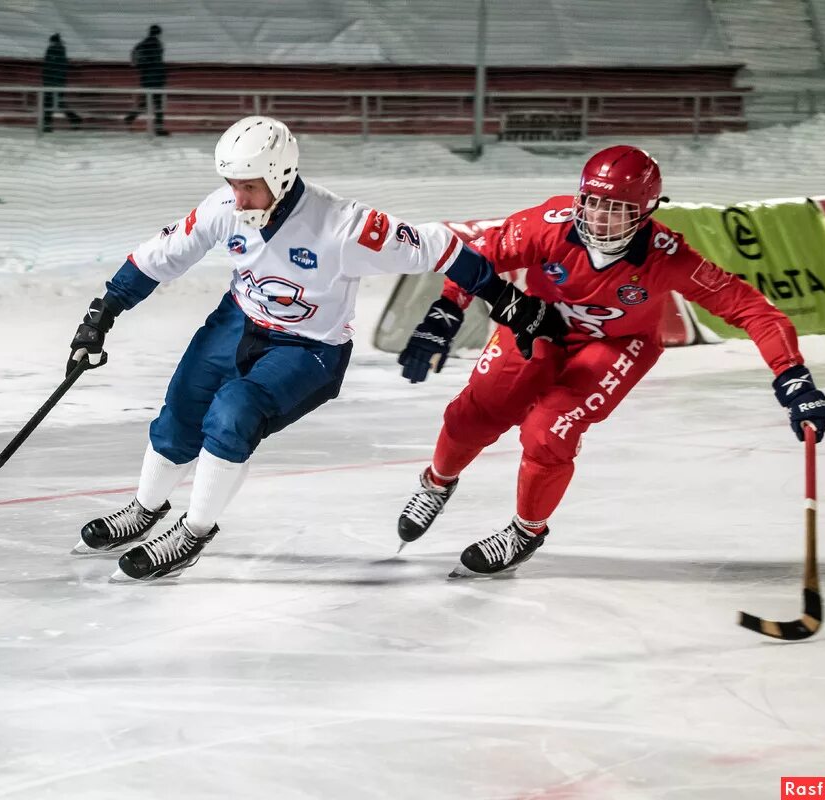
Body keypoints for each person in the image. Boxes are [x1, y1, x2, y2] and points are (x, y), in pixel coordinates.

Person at [66, 115, 564, 582]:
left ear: (281, 177)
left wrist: (505, 300)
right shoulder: (225, 206)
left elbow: (440, 246)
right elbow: (163, 255)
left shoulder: (345, 226)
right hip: (237, 320)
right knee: (181, 410)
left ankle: (192, 533)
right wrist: (101, 315)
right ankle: (145, 509)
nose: (237, 200)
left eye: (248, 187)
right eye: (232, 185)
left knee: (232, 412)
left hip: (310, 348)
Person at [394, 145, 825, 578]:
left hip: (618, 345)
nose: (598, 217)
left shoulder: (668, 257)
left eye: (616, 209)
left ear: (644, 213)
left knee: (549, 431)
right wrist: (446, 309)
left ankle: (526, 532)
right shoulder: (547, 223)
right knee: (475, 412)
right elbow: (478, 257)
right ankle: (436, 482)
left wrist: (793, 376)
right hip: (537, 324)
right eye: (592, 202)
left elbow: (752, 309)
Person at [124, 24, 167, 135]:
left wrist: (140, 67)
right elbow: (157, 62)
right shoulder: (156, 44)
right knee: (157, 104)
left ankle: (130, 118)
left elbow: (134, 59)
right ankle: (158, 129)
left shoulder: (142, 44)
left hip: (145, 77)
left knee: (147, 103)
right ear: (158, 33)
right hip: (156, 78)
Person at [42, 33, 82, 133]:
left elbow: (53, 67)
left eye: (52, 42)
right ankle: (74, 119)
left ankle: (48, 124)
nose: (51, 43)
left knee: (51, 103)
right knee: (54, 103)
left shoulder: (55, 50)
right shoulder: (58, 50)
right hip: (52, 82)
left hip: (53, 82)